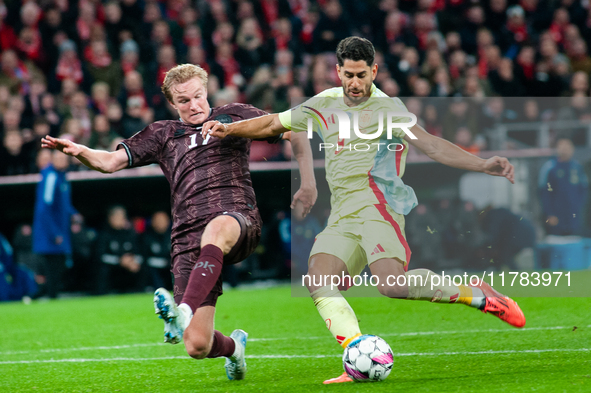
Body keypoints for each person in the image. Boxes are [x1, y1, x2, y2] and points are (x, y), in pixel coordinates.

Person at [202, 36, 525, 383]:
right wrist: (227, 129)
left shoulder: (388, 110)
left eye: (362, 75)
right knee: (318, 278)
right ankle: (356, 353)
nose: (355, 83)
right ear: (338, 71)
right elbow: (271, 124)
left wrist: (482, 164)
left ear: (374, 71)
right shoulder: (322, 103)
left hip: (378, 208)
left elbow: (431, 145)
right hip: (342, 216)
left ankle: (477, 295)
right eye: (349, 75)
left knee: (391, 285)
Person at [41, 63, 316, 380]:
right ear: (172, 103)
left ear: (206, 90)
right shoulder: (163, 133)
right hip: (187, 237)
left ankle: (180, 311)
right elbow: (110, 162)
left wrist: (307, 182)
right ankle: (234, 349)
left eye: (198, 96)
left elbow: (294, 129)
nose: (194, 105)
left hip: (237, 219)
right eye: (184, 101)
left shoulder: (236, 114)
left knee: (217, 227)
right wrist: (79, 151)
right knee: (197, 345)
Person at [32, 150, 77, 299]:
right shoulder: (50, 177)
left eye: (64, 158)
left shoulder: (62, 177)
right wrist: (54, 233)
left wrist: (74, 214)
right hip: (50, 233)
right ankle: (47, 295)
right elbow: (44, 209)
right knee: (52, 266)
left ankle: (49, 294)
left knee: (59, 265)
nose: (62, 161)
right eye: (59, 158)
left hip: (60, 230)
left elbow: (63, 204)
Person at [538, 137, 588, 236]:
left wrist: (577, 207)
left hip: (573, 217)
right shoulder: (550, 168)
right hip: (556, 217)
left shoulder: (577, 167)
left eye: (567, 145)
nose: (565, 148)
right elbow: (544, 193)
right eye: (562, 145)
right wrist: (549, 213)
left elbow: (583, 190)